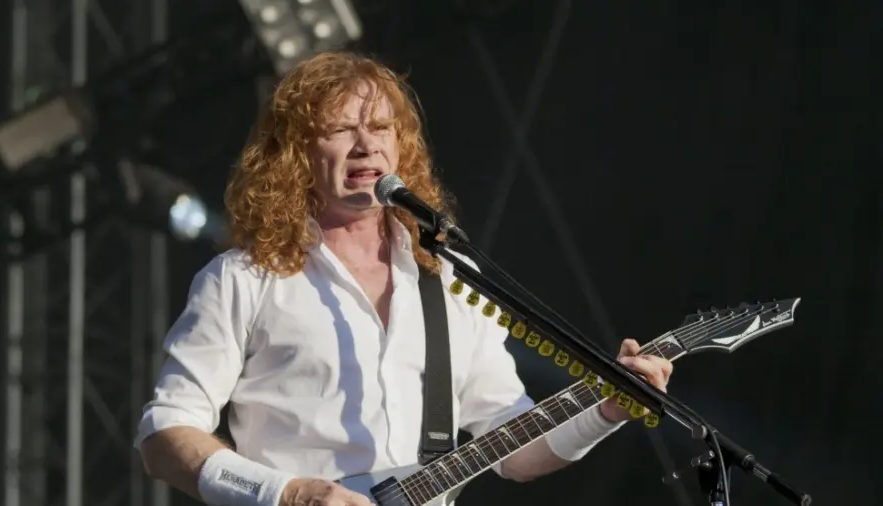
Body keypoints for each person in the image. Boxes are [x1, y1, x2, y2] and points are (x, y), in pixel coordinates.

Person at [134, 51, 674, 506]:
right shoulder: (243, 279)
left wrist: (606, 410)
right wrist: (292, 494)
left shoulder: (450, 275)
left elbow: (514, 447)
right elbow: (163, 435)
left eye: (381, 128)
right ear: (297, 155)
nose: (366, 145)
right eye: (342, 128)